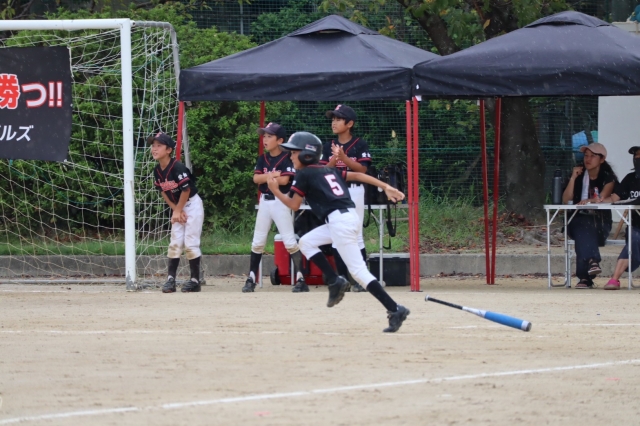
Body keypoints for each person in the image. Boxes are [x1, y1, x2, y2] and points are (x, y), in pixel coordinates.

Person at [267, 131, 409, 333]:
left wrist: (275, 191)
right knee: (306, 242)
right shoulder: (327, 170)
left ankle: (395, 309)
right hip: (345, 219)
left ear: (306, 155)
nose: (290, 157)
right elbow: (358, 175)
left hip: (340, 223)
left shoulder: (305, 174)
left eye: (294, 153)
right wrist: (386, 186)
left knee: (358, 272)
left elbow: (294, 205)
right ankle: (334, 280)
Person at [242, 122, 307, 293]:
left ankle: (301, 278)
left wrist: (268, 177)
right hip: (265, 200)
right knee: (257, 242)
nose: (265, 139)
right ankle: (251, 278)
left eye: (269, 136)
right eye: (264, 136)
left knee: (290, 241)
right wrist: (273, 175)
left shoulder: (287, 157)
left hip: (281, 200)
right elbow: (256, 179)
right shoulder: (262, 159)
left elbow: (284, 180)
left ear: (280, 140)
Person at [319, 104, 372, 292]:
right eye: (333, 119)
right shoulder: (328, 146)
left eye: (338, 119)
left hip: (354, 190)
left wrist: (344, 157)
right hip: (335, 191)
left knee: (356, 234)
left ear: (350, 123)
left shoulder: (359, 144)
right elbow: (324, 170)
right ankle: (342, 279)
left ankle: (361, 280)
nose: (334, 122)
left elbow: (362, 169)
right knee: (336, 234)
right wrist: (335, 158)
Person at [149, 132, 204, 293]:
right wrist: (176, 210)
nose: (154, 149)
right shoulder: (157, 171)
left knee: (190, 242)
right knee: (175, 241)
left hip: (192, 205)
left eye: (159, 145)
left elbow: (186, 190)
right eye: (153, 145)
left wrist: (178, 210)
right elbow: (163, 192)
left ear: (169, 150)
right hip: (178, 207)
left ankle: (195, 281)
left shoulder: (177, 167)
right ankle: (170, 279)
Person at [562, 142, 617, 289]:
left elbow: (601, 198)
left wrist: (588, 201)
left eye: (593, 156)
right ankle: (593, 261)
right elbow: (566, 200)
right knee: (582, 225)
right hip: (576, 221)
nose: (588, 159)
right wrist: (573, 178)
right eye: (586, 155)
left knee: (584, 230)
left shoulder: (608, 177)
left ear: (602, 159)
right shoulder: (578, 175)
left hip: (600, 223)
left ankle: (585, 277)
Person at [601, 146, 640, 290]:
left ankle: (615, 278)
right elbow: (615, 198)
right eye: (635, 156)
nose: (637, 159)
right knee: (634, 239)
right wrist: (597, 201)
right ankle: (614, 279)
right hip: (635, 226)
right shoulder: (630, 178)